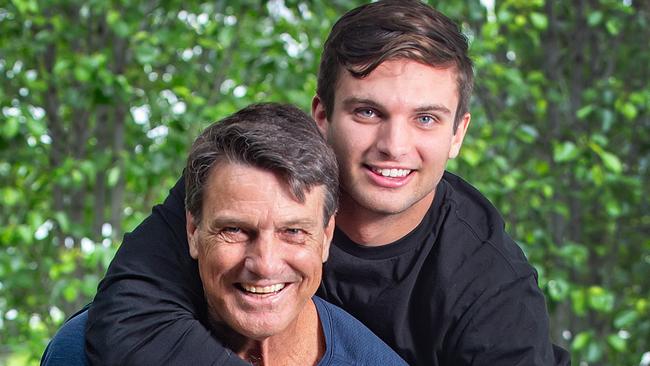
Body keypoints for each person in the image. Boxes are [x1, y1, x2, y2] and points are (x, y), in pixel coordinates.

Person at [86, 1, 570, 365]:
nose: (394, 145)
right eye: (367, 111)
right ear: (323, 115)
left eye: (425, 118)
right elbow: (127, 319)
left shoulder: (490, 287)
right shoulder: (251, 178)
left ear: (457, 133)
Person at [43, 103, 407, 366]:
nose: (264, 264)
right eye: (235, 229)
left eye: (293, 231)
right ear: (192, 230)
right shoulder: (81, 351)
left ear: (326, 236)